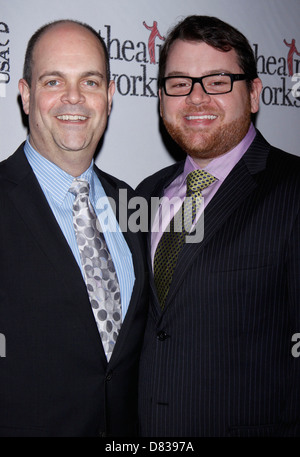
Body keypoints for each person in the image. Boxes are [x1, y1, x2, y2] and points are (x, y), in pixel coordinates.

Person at [137, 15, 300, 437]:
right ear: (160, 98)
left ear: (254, 94)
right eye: (179, 83)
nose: (196, 98)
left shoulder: (293, 189)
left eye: (218, 80)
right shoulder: (145, 193)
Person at [0, 19, 148, 437]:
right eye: (53, 81)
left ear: (110, 95)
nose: (73, 98)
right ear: (26, 95)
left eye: (90, 81)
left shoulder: (132, 203)